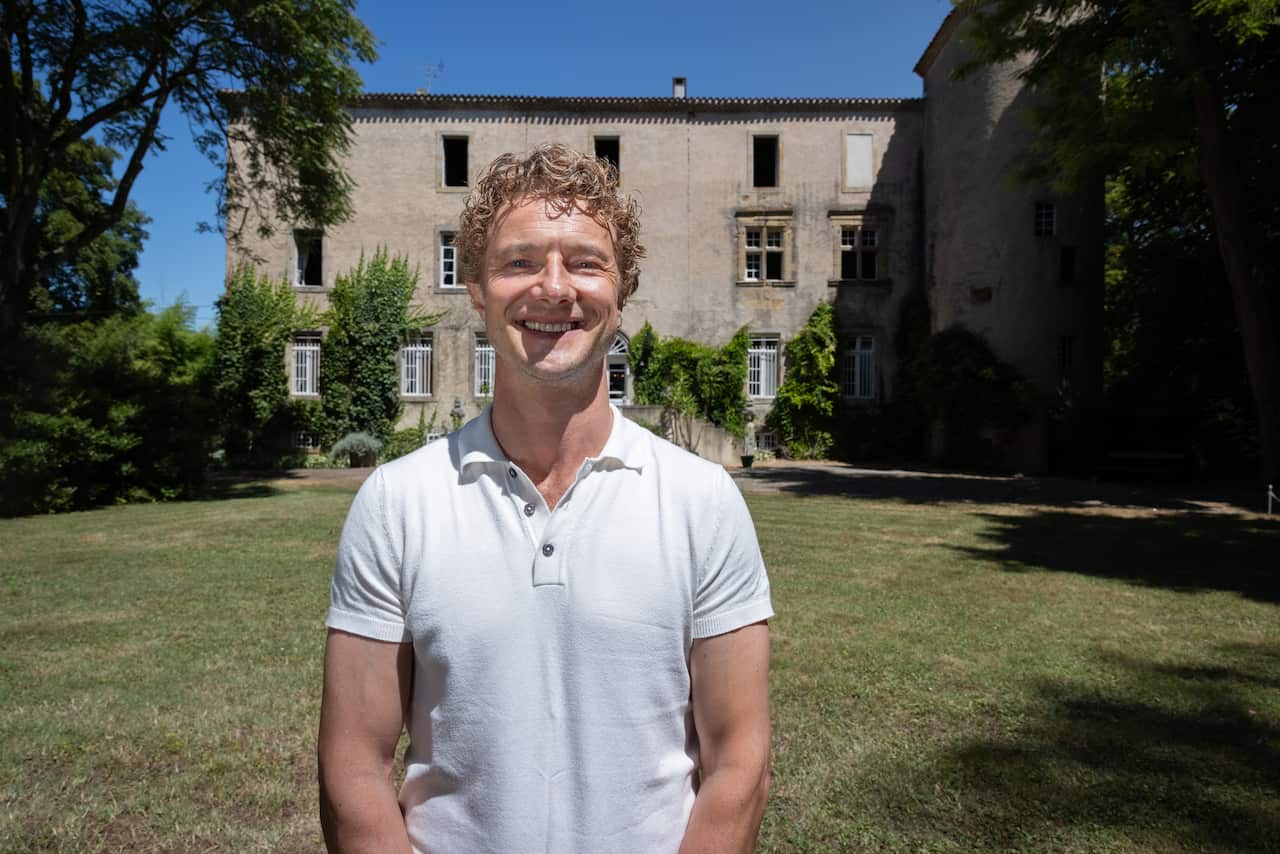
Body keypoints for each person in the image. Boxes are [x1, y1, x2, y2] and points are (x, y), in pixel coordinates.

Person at [317, 143, 773, 854]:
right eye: (520, 262)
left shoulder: (703, 502)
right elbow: (353, 766)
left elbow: (739, 762)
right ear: (476, 289)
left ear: (622, 290)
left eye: (586, 263)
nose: (554, 288)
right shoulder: (396, 503)